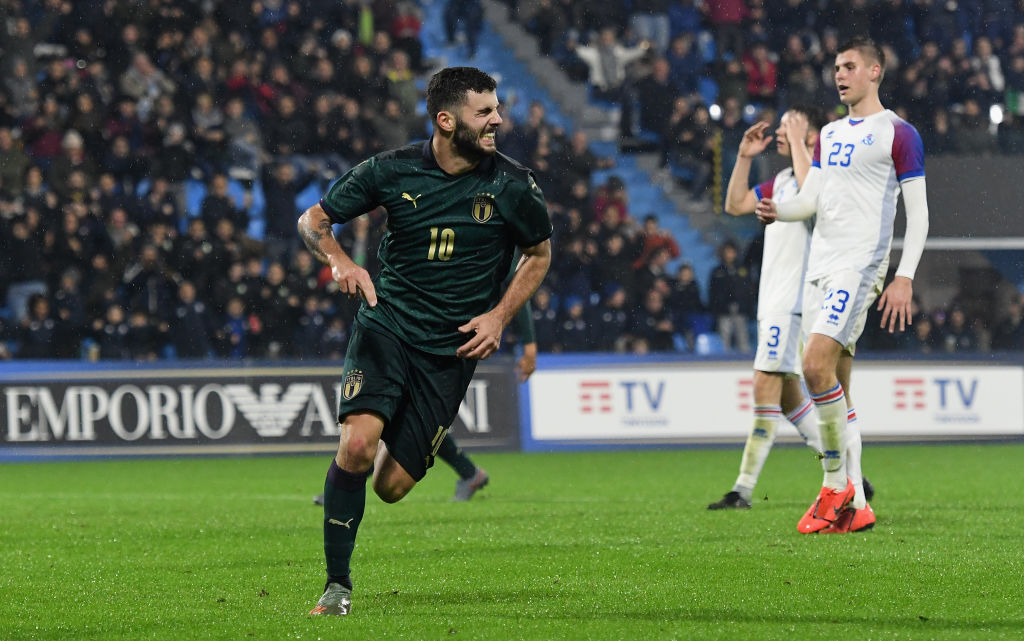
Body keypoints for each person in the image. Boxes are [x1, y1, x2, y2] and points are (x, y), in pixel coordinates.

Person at [298, 67, 552, 616]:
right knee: (357, 446)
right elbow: (314, 219)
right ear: (446, 120)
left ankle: (399, 436)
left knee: (390, 487)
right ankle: (337, 586)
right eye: (484, 112)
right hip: (385, 326)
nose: (497, 120)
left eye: (497, 109)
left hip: (451, 351)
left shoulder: (512, 184)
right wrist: (340, 261)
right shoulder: (391, 171)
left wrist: (500, 316)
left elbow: (538, 255)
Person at [756, 37, 929, 534]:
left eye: (850, 66)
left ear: (876, 71)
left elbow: (918, 214)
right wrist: (778, 210)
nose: (840, 74)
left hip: (860, 265)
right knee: (839, 391)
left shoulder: (898, 132)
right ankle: (857, 508)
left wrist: (903, 276)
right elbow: (811, 199)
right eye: (836, 67)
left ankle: (835, 486)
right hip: (821, 267)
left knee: (813, 365)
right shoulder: (829, 135)